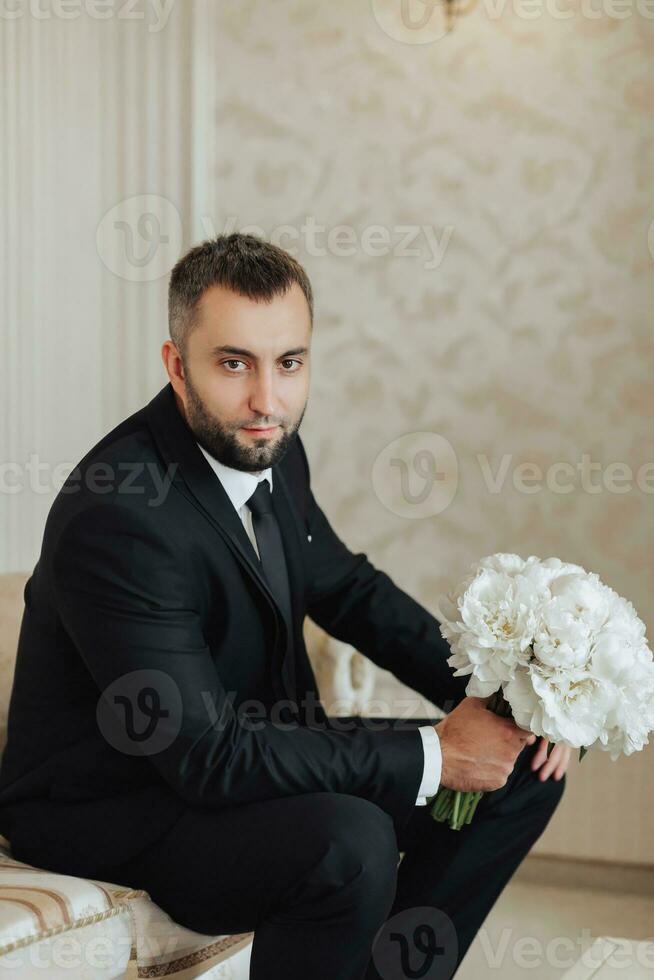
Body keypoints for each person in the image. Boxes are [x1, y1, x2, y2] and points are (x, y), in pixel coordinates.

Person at [0, 233, 568, 979]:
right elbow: (204, 755)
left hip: (248, 750)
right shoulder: (121, 514)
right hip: (119, 802)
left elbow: (346, 588)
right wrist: (436, 752)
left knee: (522, 771)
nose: (268, 399)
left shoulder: (267, 445)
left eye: (289, 363)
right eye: (234, 363)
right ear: (178, 366)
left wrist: (499, 698)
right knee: (348, 844)